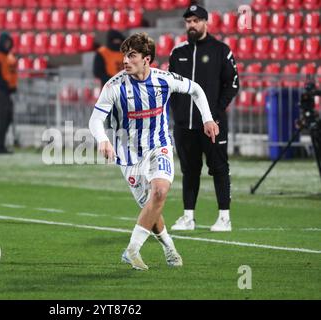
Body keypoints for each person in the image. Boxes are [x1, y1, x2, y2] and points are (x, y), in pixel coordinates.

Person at [89, 32, 219, 270]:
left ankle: (132, 250)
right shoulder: (114, 86)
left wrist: (208, 119)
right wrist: (102, 140)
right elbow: (95, 120)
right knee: (151, 207)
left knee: (159, 191)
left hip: (159, 146)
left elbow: (196, 89)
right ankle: (169, 247)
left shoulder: (164, 79)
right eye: (124, 56)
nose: (125, 61)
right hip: (128, 156)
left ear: (147, 59)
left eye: (132, 56)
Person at [168, 4, 240, 232]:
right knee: (189, 170)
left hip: (213, 124)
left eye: (196, 21)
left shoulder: (221, 50)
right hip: (183, 125)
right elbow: (170, 86)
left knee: (219, 167)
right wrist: (176, 113)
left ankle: (224, 218)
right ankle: (188, 217)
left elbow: (233, 84)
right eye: (188, 21)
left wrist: (216, 113)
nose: (192, 25)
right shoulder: (177, 53)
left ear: (205, 22)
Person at [0, 32, 18, 154]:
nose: (7, 45)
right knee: (2, 118)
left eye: (9, 43)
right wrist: (6, 85)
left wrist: (11, 87)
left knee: (8, 117)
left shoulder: (7, 56)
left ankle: (0, 144)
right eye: (6, 42)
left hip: (5, 91)